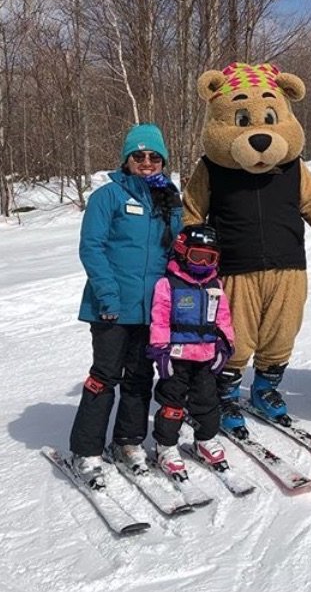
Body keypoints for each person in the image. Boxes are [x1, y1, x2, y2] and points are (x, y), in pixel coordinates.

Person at [69, 123, 182, 489]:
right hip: (111, 307)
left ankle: (129, 441)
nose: (147, 162)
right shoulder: (109, 197)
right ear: (127, 159)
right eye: (139, 156)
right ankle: (86, 450)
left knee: (139, 377)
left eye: (154, 156)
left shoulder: (169, 199)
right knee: (104, 377)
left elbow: (176, 250)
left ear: (162, 160)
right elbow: (92, 248)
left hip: (153, 309)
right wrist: (108, 295)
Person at [146, 224, 236, 477]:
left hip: (206, 356)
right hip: (176, 356)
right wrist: (160, 351)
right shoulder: (168, 284)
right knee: (171, 404)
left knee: (207, 402)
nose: (204, 264)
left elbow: (224, 318)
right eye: (198, 256)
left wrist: (225, 346)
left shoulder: (215, 284)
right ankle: (165, 446)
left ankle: (205, 440)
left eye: (211, 258)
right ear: (183, 251)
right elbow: (160, 319)